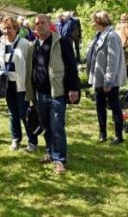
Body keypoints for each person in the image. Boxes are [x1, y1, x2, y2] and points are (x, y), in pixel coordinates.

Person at [26, 14, 80, 175]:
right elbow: (31, 70)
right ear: (34, 27)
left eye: (43, 23)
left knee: (57, 126)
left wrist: (74, 88)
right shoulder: (33, 45)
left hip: (57, 92)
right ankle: (50, 152)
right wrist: (30, 93)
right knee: (45, 126)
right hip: (40, 94)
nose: (40, 25)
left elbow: (71, 66)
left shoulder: (61, 42)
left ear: (49, 24)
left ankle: (60, 160)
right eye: (37, 24)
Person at [87, 11, 127, 145]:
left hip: (109, 80)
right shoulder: (100, 35)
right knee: (100, 106)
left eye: (94, 21)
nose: (92, 24)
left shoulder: (112, 36)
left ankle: (118, 136)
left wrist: (108, 80)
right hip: (99, 78)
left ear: (99, 21)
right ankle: (102, 133)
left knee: (115, 107)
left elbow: (113, 60)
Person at [0, 17, 37, 152]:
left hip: (21, 85)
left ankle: (32, 141)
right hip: (8, 84)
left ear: (16, 29)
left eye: (10, 28)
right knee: (12, 113)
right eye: (5, 28)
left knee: (24, 113)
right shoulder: (1, 44)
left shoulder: (25, 44)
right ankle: (16, 138)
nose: (7, 31)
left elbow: (31, 65)